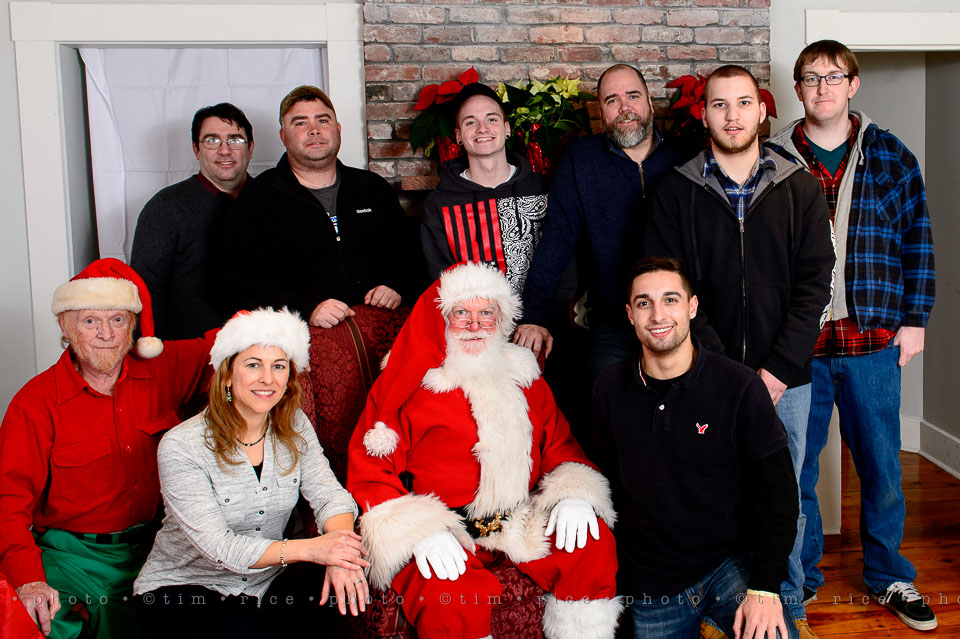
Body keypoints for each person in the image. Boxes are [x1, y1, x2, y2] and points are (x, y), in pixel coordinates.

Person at [644, 64, 834, 638]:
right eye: (720, 105)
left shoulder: (799, 187)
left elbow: (815, 285)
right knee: (710, 483)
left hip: (787, 379)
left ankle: (787, 602)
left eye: (744, 103)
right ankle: (715, 598)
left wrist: (776, 370)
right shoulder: (675, 191)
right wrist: (726, 373)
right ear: (704, 114)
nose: (732, 116)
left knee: (786, 488)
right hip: (703, 374)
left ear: (762, 111)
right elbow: (670, 288)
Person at [348, 262, 621, 639]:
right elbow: (370, 471)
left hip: (518, 519)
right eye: (461, 313)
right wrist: (419, 532)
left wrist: (573, 494)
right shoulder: (409, 383)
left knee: (591, 546)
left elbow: (558, 442)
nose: (475, 325)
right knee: (449, 596)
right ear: (443, 318)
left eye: (486, 314)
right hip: (448, 530)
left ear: (501, 319)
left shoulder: (525, 376)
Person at [767, 40, 937, 632]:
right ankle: (802, 577)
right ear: (797, 88)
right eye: (811, 78)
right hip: (797, 345)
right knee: (796, 469)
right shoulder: (772, 157)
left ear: (852, 85)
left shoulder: (891, 155)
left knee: (883, 466)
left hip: (873, 337)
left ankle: (888, 573)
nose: (822, 88)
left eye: (833, 77)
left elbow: (918, 239)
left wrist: (915, 319)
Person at [0, 258, 217, 639]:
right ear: (66, 327)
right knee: (34, 616)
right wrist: (29, 579)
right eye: (90, 321)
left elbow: (235, 343)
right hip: (73, 555)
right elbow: (8, 502)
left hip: (160, 545)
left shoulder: (164, 366)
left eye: (117, 319)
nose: (106, 333)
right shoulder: (33, 404)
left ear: (133, 326)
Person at [593, 257, 799, 639]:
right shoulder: (608, 389)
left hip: (728, 562)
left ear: (692, 307)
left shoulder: (740, 387)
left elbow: (780, 496)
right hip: (653, 577)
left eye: (670, 300)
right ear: (630, 315)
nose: (658, 315)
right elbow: (602, 487)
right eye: (644, 303)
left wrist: (766, 587)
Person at [134, 307, 364, 637]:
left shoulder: (295, 425)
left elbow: (328, 494)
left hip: (267, 582)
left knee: (333, 620)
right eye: (254, 365)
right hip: (185, 587)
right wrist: (314, 549)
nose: (267, 378)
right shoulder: (181, 445)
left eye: (279, 366)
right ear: (227, 374)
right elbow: (219, 548)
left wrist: (340, 553)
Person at [514, 63, 694, 376]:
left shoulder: (685, 156)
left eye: (633, 96)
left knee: (684, 402)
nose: (625, 108)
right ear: (600, 112)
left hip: (676, 317)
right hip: (612, 318)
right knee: (607, 402)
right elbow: (557, 239)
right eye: (612, 100)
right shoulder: (582, 159)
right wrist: (535, 314)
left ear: (650, 103)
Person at [211, 85, 418, 327]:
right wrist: (306, 309)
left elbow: (411, 255)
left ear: (337, 129)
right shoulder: (257, 198)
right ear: (283, 136)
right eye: (300, 123)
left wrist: (395, 286)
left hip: (377, 332)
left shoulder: (372, 188)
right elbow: (236, 283)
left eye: (323, 120)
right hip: (298, 338)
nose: (314, 130)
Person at [130, 103, 254, 339]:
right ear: (196, 149)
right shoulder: (165, 207)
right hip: (190, 350)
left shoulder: (272, 200)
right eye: (212, 140)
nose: (225, 150)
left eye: (235, 140)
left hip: (264, 349)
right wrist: (159, 351)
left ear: (250, 147)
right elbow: (146, 290)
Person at [420, 82, 549, 294]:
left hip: (541, 312)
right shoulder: (439, 205)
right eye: (470, 122)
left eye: (492, 119)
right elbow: (441, 280)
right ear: (458, 136)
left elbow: (563, 262)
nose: (482, 128)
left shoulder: (542, 189)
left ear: (507, 129)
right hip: (474, 312)